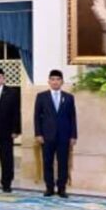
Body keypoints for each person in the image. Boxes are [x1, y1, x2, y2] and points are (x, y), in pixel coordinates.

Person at [34, 70, 78, 198]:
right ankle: (49, 187)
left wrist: (73, 135)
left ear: (62, 82)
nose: (55, 82)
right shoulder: (41, 96)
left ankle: (61, 188)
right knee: (47, 162)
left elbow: (72, 117)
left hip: (64, 136)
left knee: (63, 163)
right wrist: (38, 134)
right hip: (47, 136)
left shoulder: (69, 97)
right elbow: (36, 117)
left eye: (58, 79)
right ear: (49, 81)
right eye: (52, 79)